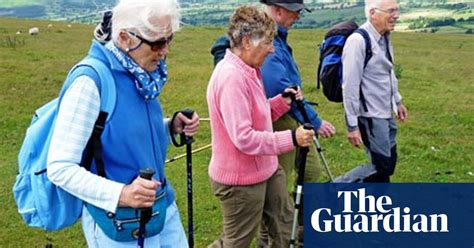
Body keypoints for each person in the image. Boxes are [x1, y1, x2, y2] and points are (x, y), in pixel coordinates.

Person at [47, 0, 200, 247]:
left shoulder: (140, 72)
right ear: (124, 38)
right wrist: (122, 194)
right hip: (120, 223)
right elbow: (60, 167)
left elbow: (120, 131)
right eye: (158, 43)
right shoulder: (90, 82)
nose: (165, 51)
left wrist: (169, 127)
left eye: (169, 39)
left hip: (160, 208)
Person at [207, 6, 315, 248]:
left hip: (266, 168)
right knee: (236, 241)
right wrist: (292, 138)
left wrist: (280, 103)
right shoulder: (231, 77)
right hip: (240, 180)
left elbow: (254, 112)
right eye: (267, 42)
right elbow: (243, 138)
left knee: (285, 227)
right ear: (246, 42)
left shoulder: (249, 70)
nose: (272, 48)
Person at [257, 1, 337, 246]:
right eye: (296, 11)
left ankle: (300, 231)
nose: (299, 17)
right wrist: (315, 120)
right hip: (279, 119)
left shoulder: (278, 36)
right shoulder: (266, 39)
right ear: (278, 10)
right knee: (276, 184)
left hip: (293, 117)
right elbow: (280, 89)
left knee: (310, 172)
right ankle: (269, 238)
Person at [341, 0, 407, 182]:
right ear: (372, 13)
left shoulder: (384, 36)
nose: (396, 16)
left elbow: (388, 71)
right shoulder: (357, 41)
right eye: (391, 11)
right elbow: (350, 86)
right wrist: (352, 126)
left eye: (397, 10)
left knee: (388, 164)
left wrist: (398, 101)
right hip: (370, 115)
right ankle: (332, 190)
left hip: (386, 111)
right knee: (381, 167)